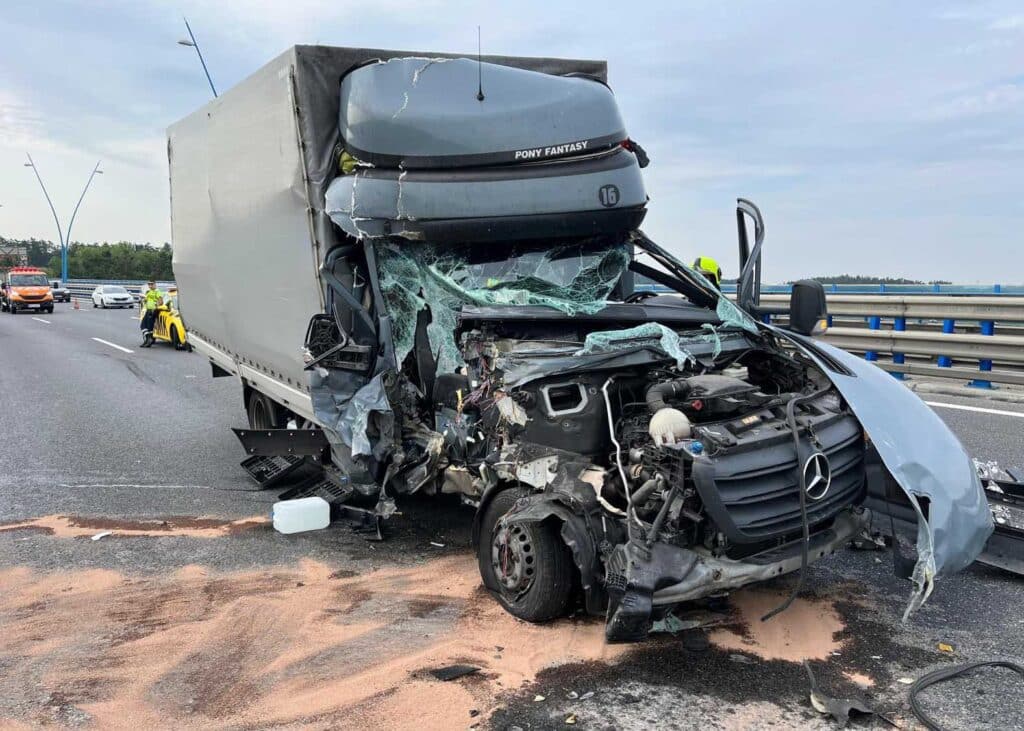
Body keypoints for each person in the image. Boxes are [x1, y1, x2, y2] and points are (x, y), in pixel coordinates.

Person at [140, 280, 164, 347]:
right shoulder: (149, 292)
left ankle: (149, 340)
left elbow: (161, 301)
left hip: (153, 310)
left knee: (149, 326)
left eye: (151, 284)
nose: (150, 286)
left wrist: (156, 306)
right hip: (148, 310)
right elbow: (147, 299)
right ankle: (148, 340)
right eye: (149, 284)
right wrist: (144, 300)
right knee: (143, 325)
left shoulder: (157, 291)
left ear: (155, 284)